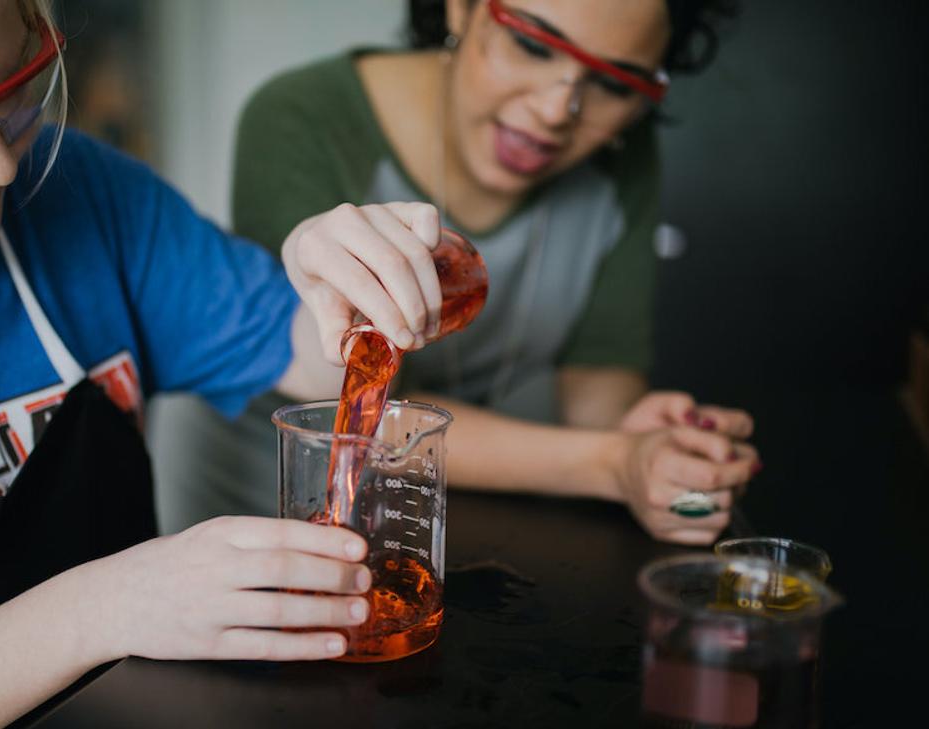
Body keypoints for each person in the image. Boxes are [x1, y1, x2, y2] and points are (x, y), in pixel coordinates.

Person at [0, 1, 450, 724]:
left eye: (16, 89)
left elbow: (310, 362)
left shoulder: (79, 190)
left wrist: (337, 279)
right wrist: (103, 608)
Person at [176, 0, 761, 546]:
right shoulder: (302, 116)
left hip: (442, 529)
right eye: (534, 46)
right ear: (460, 5)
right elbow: (357, 414)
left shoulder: (619, 163)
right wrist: (611, 462)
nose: (558, 110)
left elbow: (598, 404)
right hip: (265, 524)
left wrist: (650, 445)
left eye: (614, 83)